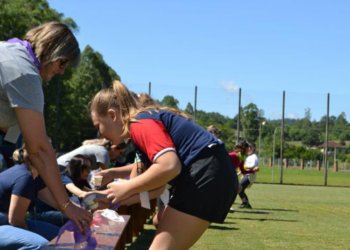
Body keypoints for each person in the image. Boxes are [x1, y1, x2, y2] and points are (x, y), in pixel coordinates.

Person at [90, 81, 238, 250]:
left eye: (97, 125)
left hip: (207, 175)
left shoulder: (139, 124)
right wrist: (114, 198)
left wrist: (126, 187)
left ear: (112, 115)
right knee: (158, 220)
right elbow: (157, 187)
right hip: (212, 174)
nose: (99, 133)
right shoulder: (141, 124)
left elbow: (169, 166)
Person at [0, 21, 92, 232]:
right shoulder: (25, 73)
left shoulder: (10, 53)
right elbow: (39, 150)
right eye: (62, 64)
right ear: (51, 50)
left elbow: (11, 133)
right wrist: (67, 207)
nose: (61, 72)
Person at [0, 147, 60, 249]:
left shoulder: (35, 176)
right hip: (4, 222)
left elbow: (56, 202)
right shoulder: (24, 177)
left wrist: (78, 212)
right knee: (40, 245)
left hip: (7, 221)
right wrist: (30, 233)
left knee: (59, 234)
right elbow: (15, 220)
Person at [238, 142, 259, 209]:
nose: (248, 149)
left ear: (253, 148)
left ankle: (245, 203)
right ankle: (246, 203)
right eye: (248, 147)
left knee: (238, 187)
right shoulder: (248, 157)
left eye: (250, 147)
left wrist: (244, 167)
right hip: (246, 175)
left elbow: (253, 166)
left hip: (249, 176)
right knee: (240, 189)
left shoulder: (253, 157)